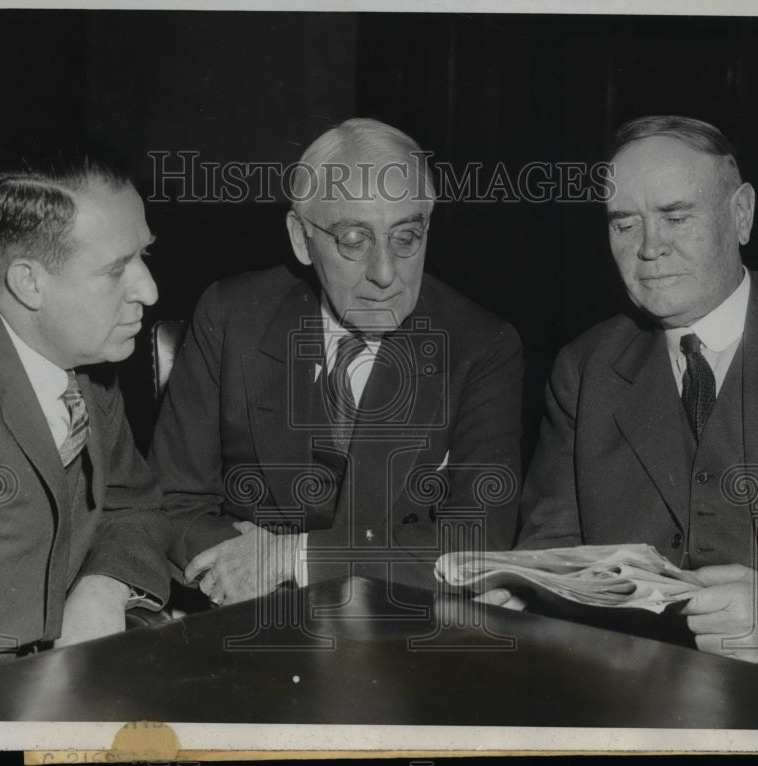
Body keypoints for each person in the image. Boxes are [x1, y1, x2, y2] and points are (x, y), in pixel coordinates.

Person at [509, 116, 758, 676]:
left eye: (676, 216)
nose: (650, 248)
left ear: (740, 215)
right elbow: (552, 551)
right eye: (625, 224)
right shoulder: (587, 367)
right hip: (633, 691)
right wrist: (521, 593)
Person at [150, 118, 522, 605]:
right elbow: (171, 504)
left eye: (406, 238)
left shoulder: (483, 346)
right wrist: (243, 566)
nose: (386, 274)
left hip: (398, 636)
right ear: (302, 239)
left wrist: (291, 557)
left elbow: (477, 545)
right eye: (354, 240)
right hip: (248, 623)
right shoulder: (232, 316)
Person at [0, 150, 172, 684]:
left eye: (143, 255)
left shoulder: (85, 360)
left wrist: (104, 588)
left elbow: (133, 502)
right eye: (116, 268)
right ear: (29, 282)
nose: (149, 290)